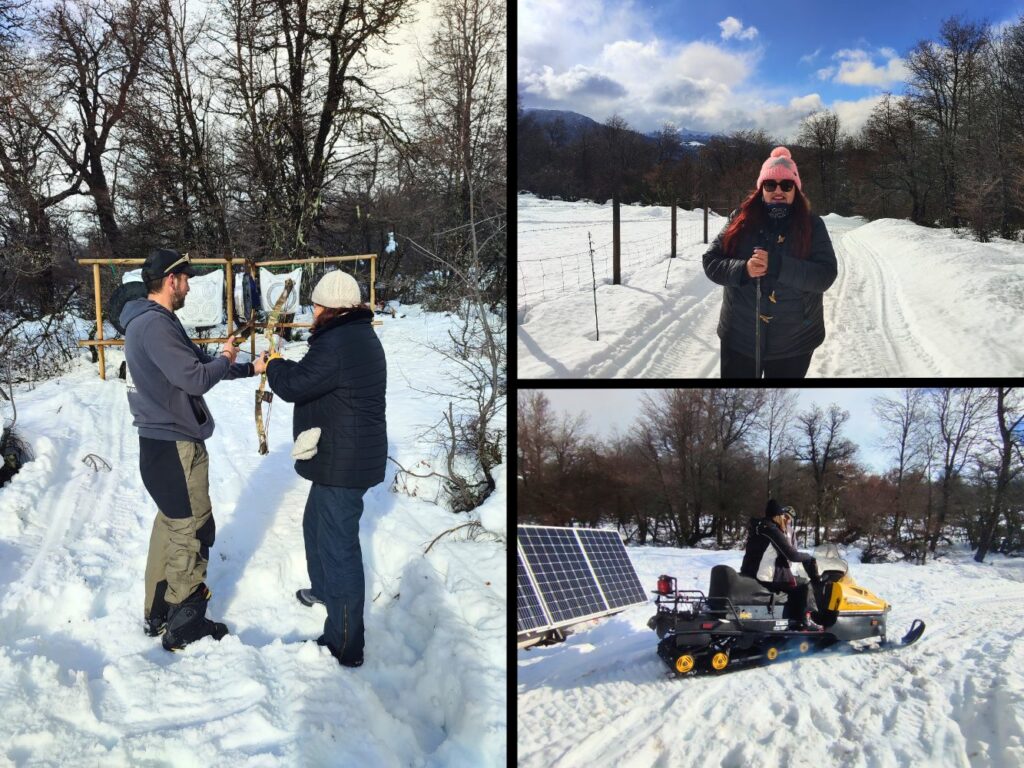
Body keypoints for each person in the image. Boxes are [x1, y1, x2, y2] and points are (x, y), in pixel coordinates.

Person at [121, 248, 268, 651]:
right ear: (170, 281)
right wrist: (224, 358)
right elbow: (196, 378)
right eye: (185, 279)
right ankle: (184, 620)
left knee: (170, 523)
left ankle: (158, 610)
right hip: (175, 445)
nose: (188, 285)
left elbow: (197, 362)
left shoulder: (152, 322)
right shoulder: (155, 326)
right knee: (191, 529)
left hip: (161, 442)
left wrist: (246, 367)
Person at [264, 269, 387, 668]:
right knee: (315, 524)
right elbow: (317, 377)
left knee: (340, 550)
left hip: (344, 463)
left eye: (316, 304)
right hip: (342, 457)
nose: (312, 311)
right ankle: (323, 590)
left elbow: (294, 385)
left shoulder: (337, 342)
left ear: (330, 307)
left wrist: (274, 364)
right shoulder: (352, 335)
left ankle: (345, 644)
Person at [703, 146, 837, 379]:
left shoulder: (812, 225)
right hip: (740, 337)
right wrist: (742, 269)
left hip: (794, 343)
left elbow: (825, 275)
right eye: (770, 184)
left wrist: (778, 265)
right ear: (761, 188)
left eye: (786, 185)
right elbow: (711, 262)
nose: (778, 191)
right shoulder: (740, 220)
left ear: (796, 189)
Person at [739, 499, 823, 630]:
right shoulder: (771, 530)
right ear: (777, 515)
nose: (785, 518)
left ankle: (790, 617)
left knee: (793, 582)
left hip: (749, 571)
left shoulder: (757, 528)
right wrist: (808, 558)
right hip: (765, 576)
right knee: (804, 583)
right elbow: (792, 555)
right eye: (783, 515)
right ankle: (804, 620)